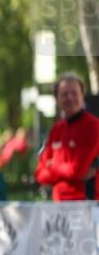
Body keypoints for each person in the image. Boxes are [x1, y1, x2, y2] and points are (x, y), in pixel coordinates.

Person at [36, 73, 99, 202]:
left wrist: (52, 165)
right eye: (64, 94)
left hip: (87, 204)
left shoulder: (93, 126)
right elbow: (40, 175)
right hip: (59, 204)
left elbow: (77, 170)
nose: (70, 98)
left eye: (74, 93)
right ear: (57, 99)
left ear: (82, 95)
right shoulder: (56, 129)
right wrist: (64, 170)